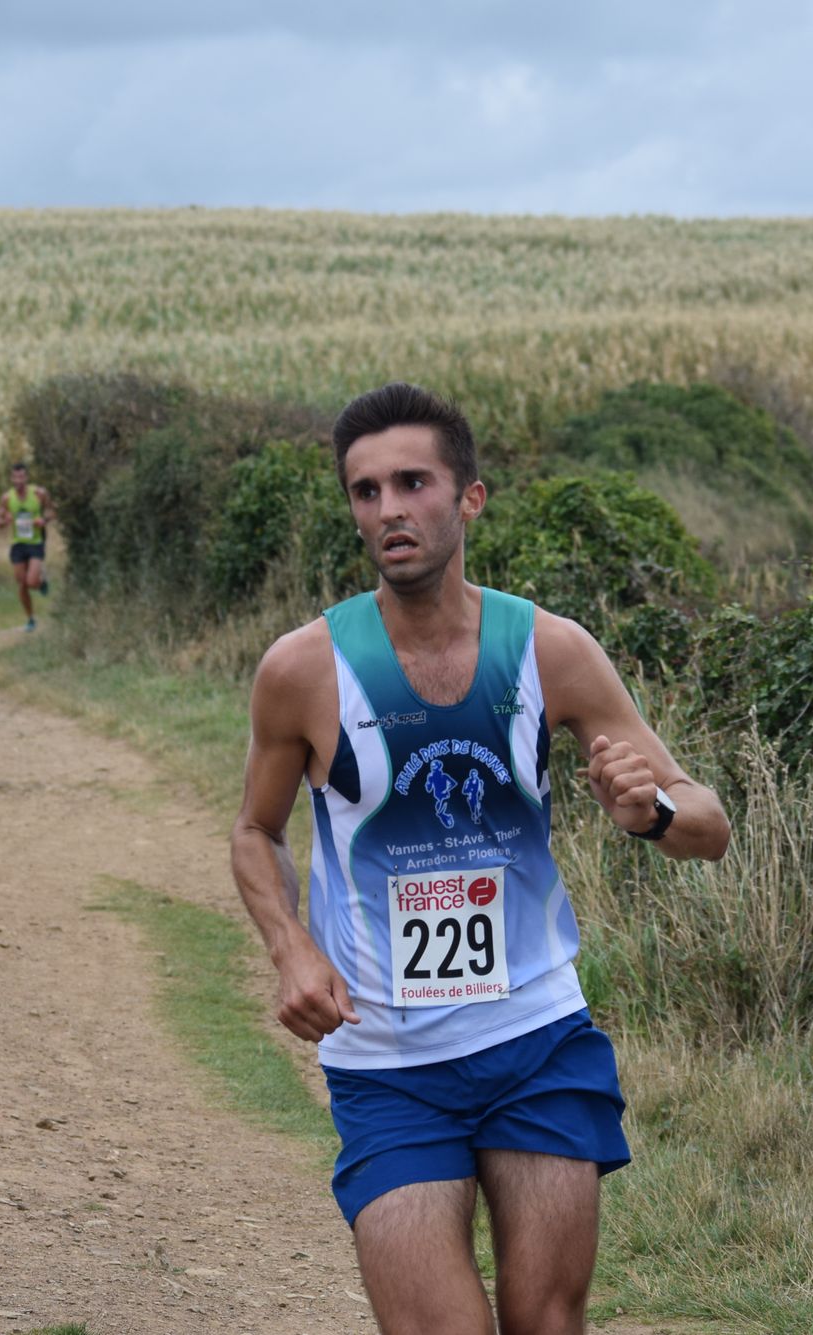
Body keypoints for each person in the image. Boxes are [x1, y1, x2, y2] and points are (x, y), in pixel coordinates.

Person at [230, 382, 730, 1335]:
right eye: (366, 491)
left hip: (536, 1036)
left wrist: (651, 809)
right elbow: (255, 831)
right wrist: (290, 945)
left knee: (548, 1321)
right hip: (386, 1061)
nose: (390, 509)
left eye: (413, 483)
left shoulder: (550, 650)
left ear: (470, 498)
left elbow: (708, 823)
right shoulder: (302, 669)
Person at [0, 461, 56, 631]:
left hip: (35, 542)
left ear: (27, 478)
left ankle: (41, 581)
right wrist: (4, 521)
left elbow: (52, 511)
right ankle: (30, 619)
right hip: (18, 543)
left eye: (21, 477)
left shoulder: (39, 494)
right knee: (22, 584)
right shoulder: (7, 498)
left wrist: (44, 520)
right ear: (11, 479)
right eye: (15, 477)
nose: (18, 480)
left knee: (31, 582)